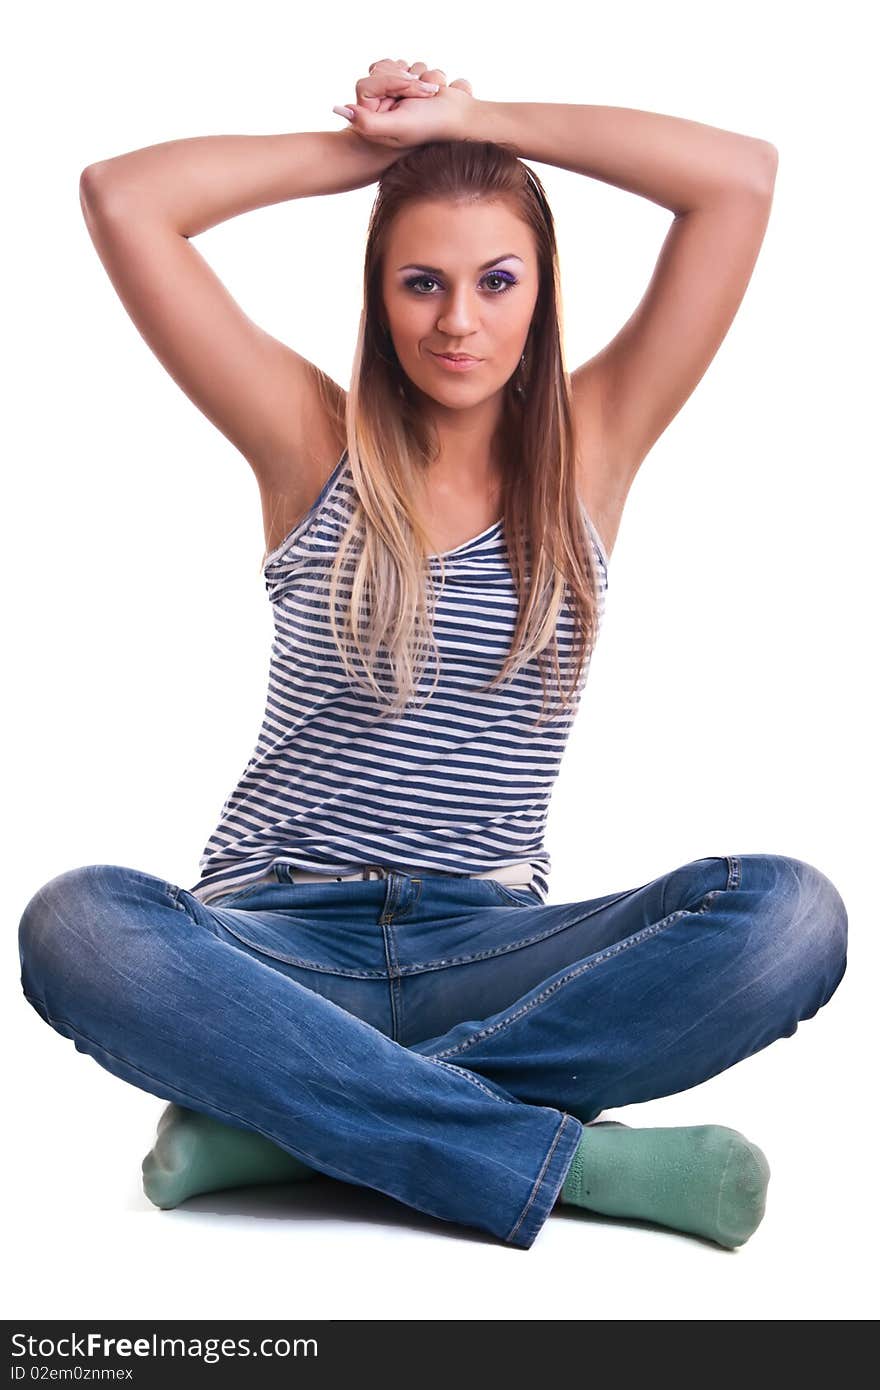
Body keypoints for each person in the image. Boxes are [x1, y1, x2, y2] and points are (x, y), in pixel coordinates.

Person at [18, 59, 847, 1252]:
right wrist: (378, 152)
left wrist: (476, 123)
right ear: (380, 295)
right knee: (80, 923)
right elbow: (123, 198)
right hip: (275, 943)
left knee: (787, 914)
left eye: (494, 280)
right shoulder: (310, 442)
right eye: (421, 282)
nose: (458, 320)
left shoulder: (592, 449)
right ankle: (553, 1158)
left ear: (539, 292)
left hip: (492, 949)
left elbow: (737, 182)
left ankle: (289, 1124)